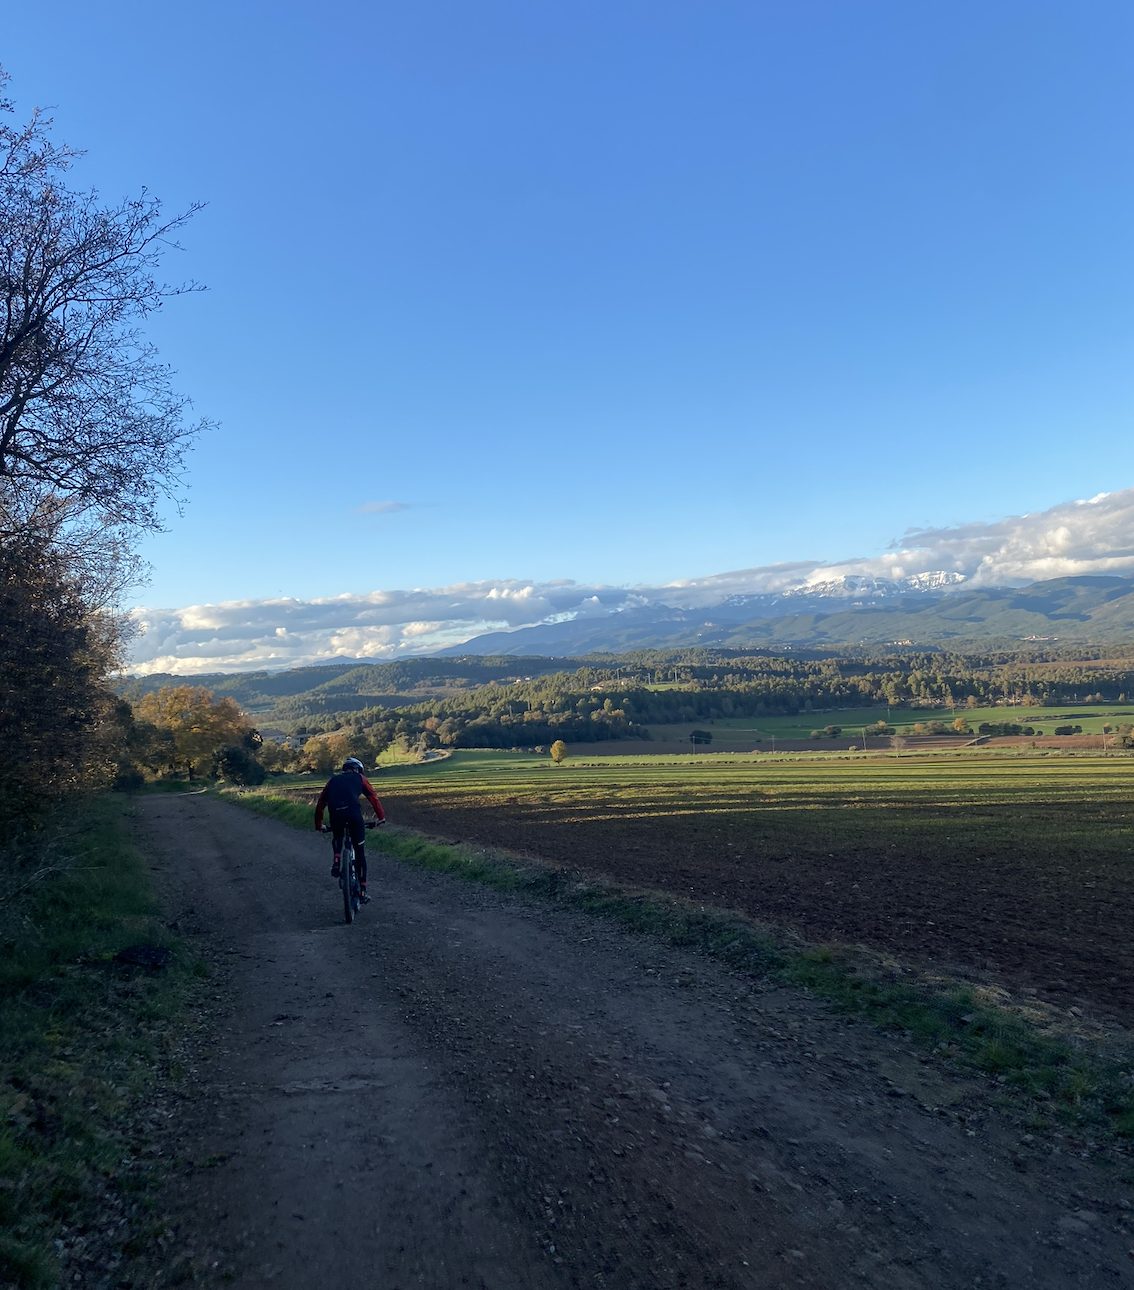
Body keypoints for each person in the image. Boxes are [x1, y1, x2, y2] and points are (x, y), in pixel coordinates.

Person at [314, 757, 385, 902]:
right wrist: (381, 817)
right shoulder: (360, 778)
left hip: (336, 816)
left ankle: (336, 860)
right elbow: (373, 798)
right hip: (354, 816)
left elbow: (321, 803)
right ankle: (363, 890)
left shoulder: (332, 781)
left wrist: (319, 824)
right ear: (357, 769)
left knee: (337, 836)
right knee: (360, 853)